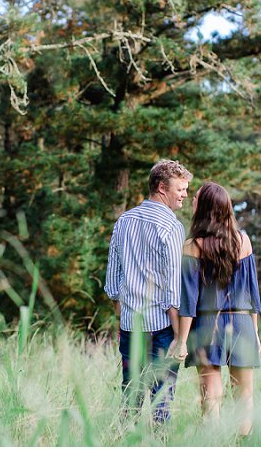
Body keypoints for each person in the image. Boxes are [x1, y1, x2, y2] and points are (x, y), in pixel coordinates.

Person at [104, 159, 193, 423]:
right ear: (162, 187)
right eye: (181, 189)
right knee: (161, 399)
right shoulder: (171, 227)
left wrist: (123, 316)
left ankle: (123, 440)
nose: (185, 195)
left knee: (131, 395)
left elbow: (112, 280)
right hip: (162, 329)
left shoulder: (124, 220)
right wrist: (180, 338)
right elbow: (173, 289)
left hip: (131, 325)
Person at [174, 181, 261, 437]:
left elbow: (188, 301)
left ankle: (213, 443)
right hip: (242, 323)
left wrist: (181, 340)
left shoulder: (192, 246)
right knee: (244, 396)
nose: (191, 200)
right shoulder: (243, 241)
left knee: (210, 398)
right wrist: (254, 332)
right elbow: (251, 293)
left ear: (205, 207)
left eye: (196, 198)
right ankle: (242, 443)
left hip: (207, 326)